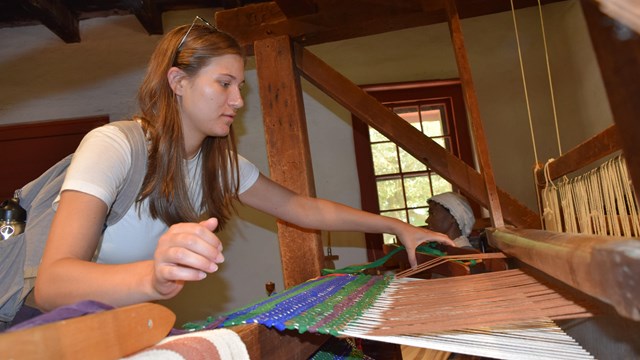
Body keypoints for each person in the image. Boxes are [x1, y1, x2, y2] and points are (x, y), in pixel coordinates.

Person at [33, 16, 455, 313]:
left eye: (240, 86)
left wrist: (399, 228)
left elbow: (303, 209)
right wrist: (153, 277)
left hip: (117, 325)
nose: (237, 100)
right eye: (224, 83)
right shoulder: (113, 146)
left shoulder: (221, 165)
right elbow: (51, 286)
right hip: (47, 331)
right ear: (178, 83)